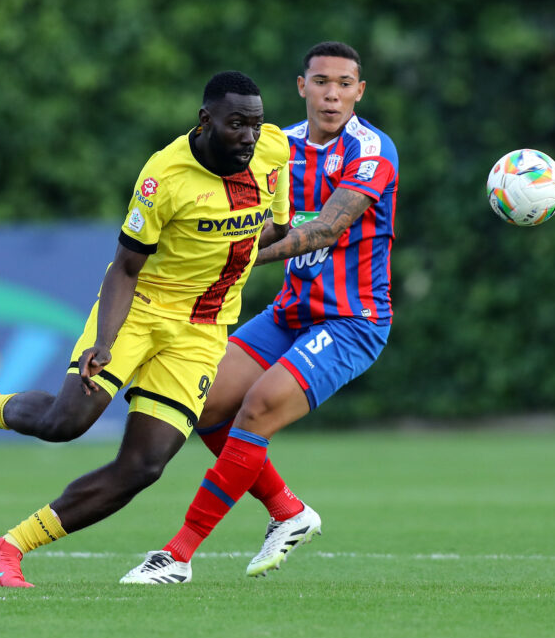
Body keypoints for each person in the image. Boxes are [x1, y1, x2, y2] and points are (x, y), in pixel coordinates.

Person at [0, 71, 294, 588]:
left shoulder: (273, 151)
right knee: (67, 422)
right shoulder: (164, 177)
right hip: (140, 310)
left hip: (201, 331)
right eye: (237, 124)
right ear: (205, 120)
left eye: (255, 124)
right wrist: (103, 342)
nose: (249, 136)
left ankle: (5, 550)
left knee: (144, 466)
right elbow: (125, 267)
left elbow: (277, 227)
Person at [121, 41, 399, 584]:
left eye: (345, 84)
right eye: (322, 81)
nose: (332, 94)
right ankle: (288, 511)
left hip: (353, 320)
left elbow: (326, 228)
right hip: (291, 311)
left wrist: (238, 255)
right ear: (302, 87)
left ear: (360, 92)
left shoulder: (372, 150)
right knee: (204, 404)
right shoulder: (276, 145)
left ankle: (177, 556)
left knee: (258, 408)